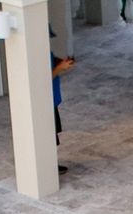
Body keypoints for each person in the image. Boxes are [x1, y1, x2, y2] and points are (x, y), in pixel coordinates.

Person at [52, 43, 75, 174]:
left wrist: (60, 62)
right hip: (46, 101)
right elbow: (42, 78)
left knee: (52, 133)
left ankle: (51, 163)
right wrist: (60, 67)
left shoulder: (45, 50)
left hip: (53, 99)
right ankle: (49, 166)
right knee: (48, 134)